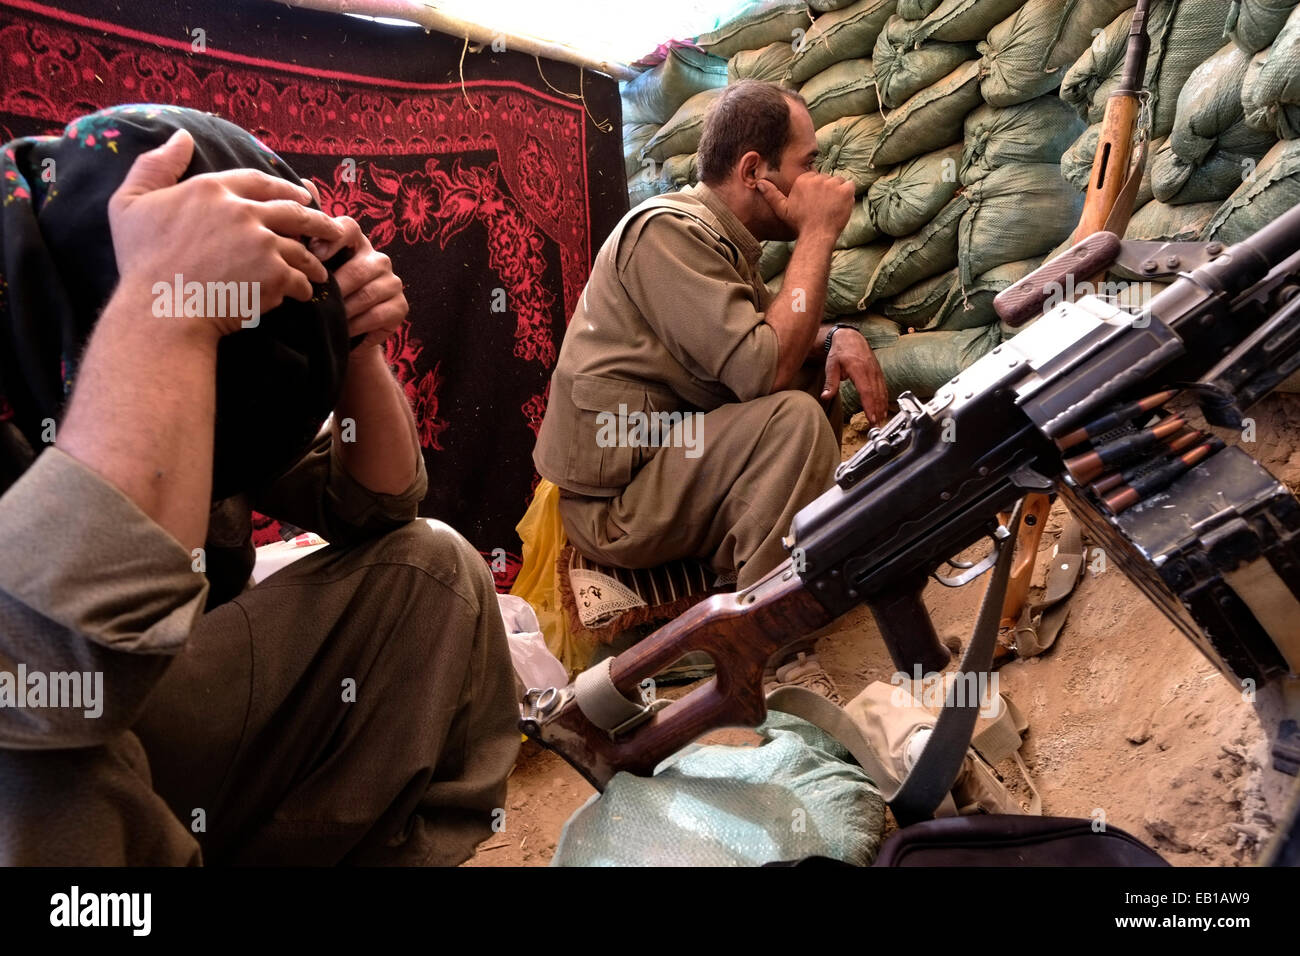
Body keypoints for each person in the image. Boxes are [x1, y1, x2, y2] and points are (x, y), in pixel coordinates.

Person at [0, 106, 519, 865]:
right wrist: (162, 312)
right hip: (51, 718)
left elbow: (379, 505)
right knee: (35, 748)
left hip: (152, 711)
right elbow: (58, 672)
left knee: (433, 571)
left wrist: (353, 349)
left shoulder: (219, 368)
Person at [533, 80, 890, 700]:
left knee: (814, 385)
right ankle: (772, 645)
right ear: (754, 170)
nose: (818, 179)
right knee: (795, 419)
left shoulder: (716, 240)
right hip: (616, 506)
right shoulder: (668, 233)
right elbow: (761, 368)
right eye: (805, 164)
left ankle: (768, 576)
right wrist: (817, 235)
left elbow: (771, 340)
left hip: (663, 463)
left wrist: (838, 335)